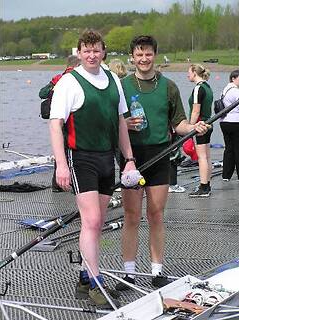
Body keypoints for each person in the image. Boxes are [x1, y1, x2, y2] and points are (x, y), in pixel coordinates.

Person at [49, 29, 136, 309]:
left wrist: (129, 159)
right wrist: (61, 164)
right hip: (81, 158)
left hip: (106, 158)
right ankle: (97, 284)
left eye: (96, 50)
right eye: (86, 50)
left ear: (103, 51)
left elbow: (121, 121)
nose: (91, 55)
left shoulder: (113, 79)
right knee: (93, 220)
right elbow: (55, 124)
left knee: (95, 224)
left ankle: (86, 277)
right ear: (79, 53)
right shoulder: (69, 82)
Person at [115, 35, 210, 290]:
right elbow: (111, 123)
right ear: (132, 57)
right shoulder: (122, 86)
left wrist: (194, 127)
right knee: (132, 215)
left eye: (148, 54)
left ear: (155, 55)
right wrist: (123, 124)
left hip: (159, 155)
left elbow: (178, 124)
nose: (144, 59)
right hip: (131, 158)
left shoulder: (169, 87)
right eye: (139, 54)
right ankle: (129, 273)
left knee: (156, 214)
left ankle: (157, 271)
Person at [40, 55, 81, 192]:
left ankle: (56, 185)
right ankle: (73, 183)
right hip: (72, 119)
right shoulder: (76, 78)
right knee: (72, 150)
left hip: (57, 118)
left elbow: (42, 93)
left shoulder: (58, 78)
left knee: (61, 151)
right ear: (77, 65)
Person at [187, 64, 214, 197]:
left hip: (200, 125)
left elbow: (196, 110)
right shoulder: (207, 87)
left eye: (189, 72)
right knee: (207, 156)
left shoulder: (198, 88)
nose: (187, 75)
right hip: (208, 124)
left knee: (202, 157)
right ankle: (207, 184)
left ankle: (203, 188)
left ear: (194, 73)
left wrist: (190, 127)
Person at [219, 70, 239, 181]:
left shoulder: (225, 90)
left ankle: (226, 175)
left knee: (229, 149)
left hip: (224, 122)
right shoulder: (235, 91)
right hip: (236, 122)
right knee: (238, 148)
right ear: (233, 78)